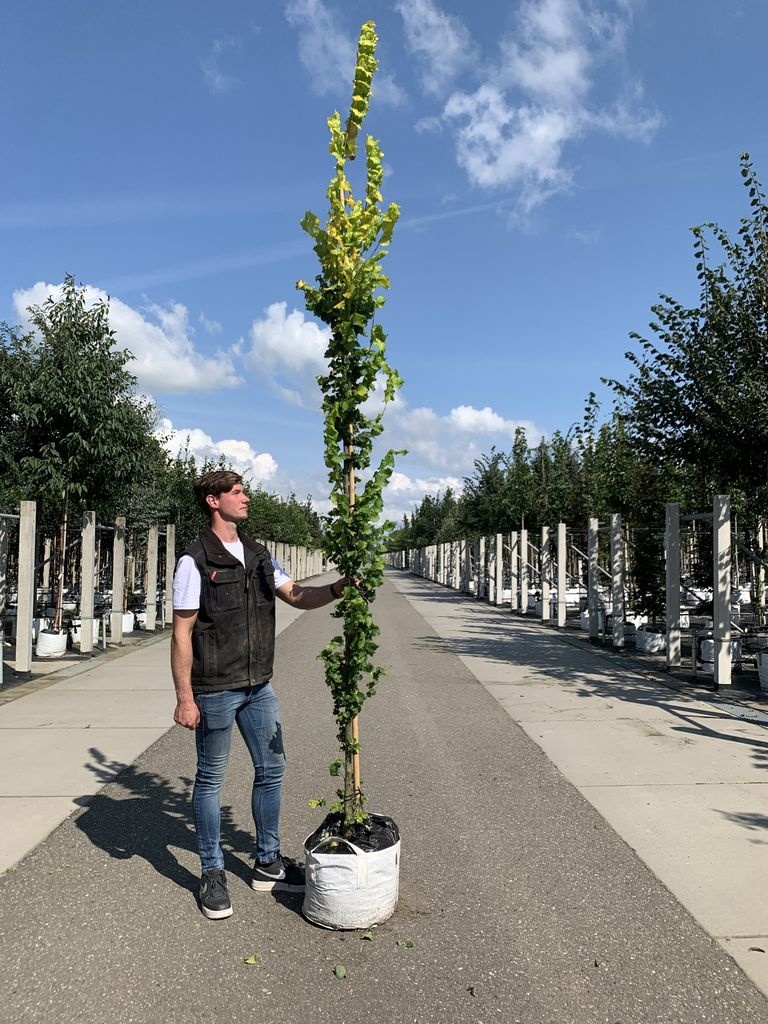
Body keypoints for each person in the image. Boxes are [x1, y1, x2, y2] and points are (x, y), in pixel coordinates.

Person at [171, 469, 346, 920]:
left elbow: (297, 595)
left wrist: (340, 588)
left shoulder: (259, 555)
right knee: (210, 778)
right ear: (213, 501)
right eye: (236, 492)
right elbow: (182, 633)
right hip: (215, 689)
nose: (245, 498)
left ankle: (267, 860)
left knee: (272, 768)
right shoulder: (195, 560)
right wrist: (185, 697)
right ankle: (212, 871)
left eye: (244, 490)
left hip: (259, 686)